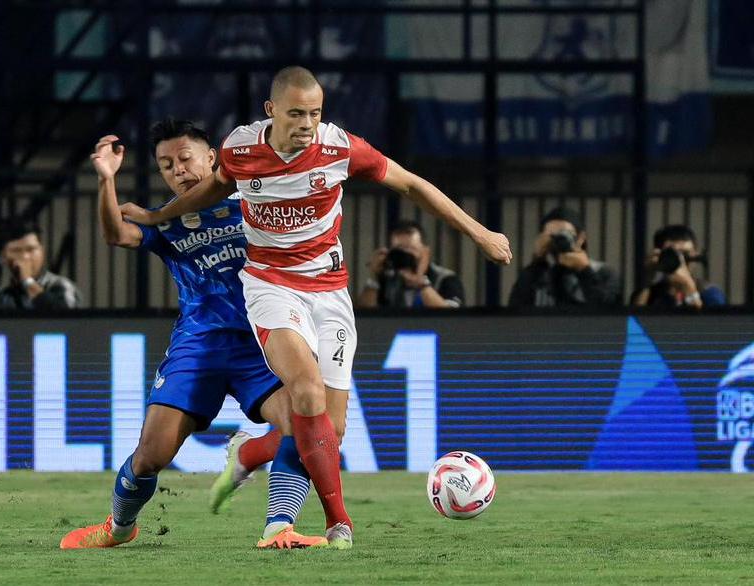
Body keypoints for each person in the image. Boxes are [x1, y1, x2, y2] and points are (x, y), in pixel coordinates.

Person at [121, 66, 512, 549]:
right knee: (304, 391)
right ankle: (338, 525)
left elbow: (410, 184)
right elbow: (215, 186)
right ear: (271, 112)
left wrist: (480, 233)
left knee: (331, 427)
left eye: (315, 113)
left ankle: (250, 454)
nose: (307, 123)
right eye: (296, 113)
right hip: (270, 288)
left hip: (329, 292)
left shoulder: (340, 148)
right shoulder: (242, 148)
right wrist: (159, 216)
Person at [59, 120, 326, 550]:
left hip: (261, 344)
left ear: (212, 159)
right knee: (152, 456)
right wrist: (106, 181)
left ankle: (280, 527)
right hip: (198, 346)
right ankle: (119, 528)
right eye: (167, 165)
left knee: (301, 422)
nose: (177, 170)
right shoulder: (166, 221)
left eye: (185, 158)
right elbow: (115, 234)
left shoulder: (252, 206)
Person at [508, 206, 621, 308]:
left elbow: (608, 309)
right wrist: (537, 261)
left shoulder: (603, 272)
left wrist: (585, 270)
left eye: (564, 234)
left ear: (581, 237)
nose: (558, 240)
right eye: (551, 236)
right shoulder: (538, 273)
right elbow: (517, 309)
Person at [0, 223, 80, 311]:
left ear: (42, 251)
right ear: (4, 255)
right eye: (16, 251)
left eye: (31, 250)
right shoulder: (0, 296)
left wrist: (27, 281)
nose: (25, 257)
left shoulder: (60, 285)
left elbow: (64, 317)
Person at [357, 219, 465, 309]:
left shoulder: (445, 279)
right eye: (399, 249)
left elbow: (452, 317)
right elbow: (364, 314)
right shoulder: (387, 279)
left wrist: (421, 284)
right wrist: (375, 278)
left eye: (411, 249)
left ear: (426, 252)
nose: (405, 254)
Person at [631, 224, 726, 308]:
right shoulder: (651, 294)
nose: (680, 262)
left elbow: (710, 326)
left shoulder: (709, 293)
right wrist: (647, 280)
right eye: (672, 255)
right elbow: (634, 322)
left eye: (686, 255)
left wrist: (689, 290)